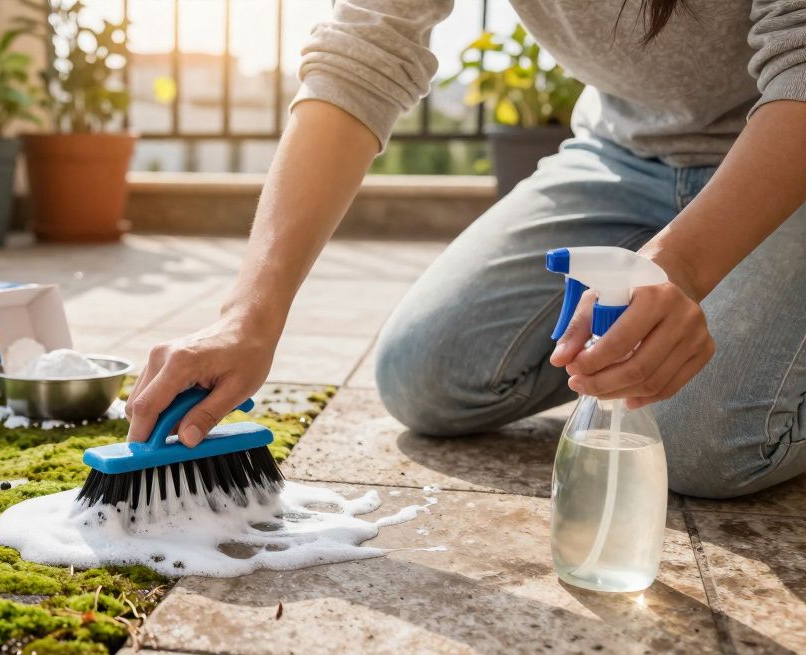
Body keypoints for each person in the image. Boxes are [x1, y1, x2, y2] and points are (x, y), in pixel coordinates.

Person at [124, 0, 806, 499]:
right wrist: (249, 312)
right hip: (625, 154)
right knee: (425, 375)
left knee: (698, 439)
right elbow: (364, 51)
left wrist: (679, 266)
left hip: (787, 157)